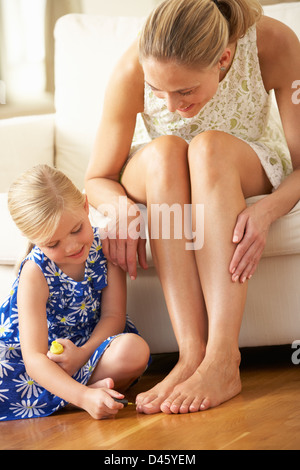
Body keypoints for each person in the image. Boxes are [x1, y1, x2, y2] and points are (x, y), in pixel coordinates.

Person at [85, 0, 300, 415]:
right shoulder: (131, 68)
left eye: (184, 91)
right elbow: (97, 178)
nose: (169, 106)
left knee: (208, 148)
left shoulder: (273, 44)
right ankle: (190, 355)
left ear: (223, 58)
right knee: (167, 150)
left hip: (237, 160)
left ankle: (223, 357)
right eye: (157, 91)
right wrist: (119, 208)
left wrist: (269, 209)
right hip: (155, 170)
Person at [0, 164, 150, 421]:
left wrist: (82, 354)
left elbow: (113, 316)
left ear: (85, 206)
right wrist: (83, 397)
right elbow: (34, 359)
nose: (72, 246)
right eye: (53, 243)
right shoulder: (35, 273)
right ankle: (81, 397)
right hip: (32, 365)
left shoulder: (105, 249)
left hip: (90, 350)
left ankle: (74, 395)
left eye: (76, 229)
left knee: (134, 350)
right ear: (35, 240)